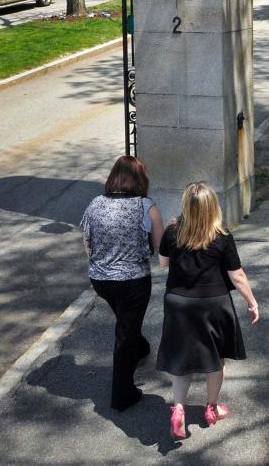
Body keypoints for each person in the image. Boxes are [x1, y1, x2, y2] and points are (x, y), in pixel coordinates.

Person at [157, 182, 259, 439]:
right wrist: (252, 302)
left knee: (182, 360)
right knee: (216, 359)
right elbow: (237, 275)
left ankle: (178, 408)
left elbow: (162, 263)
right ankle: (211, 408)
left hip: (178, 303)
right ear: (213, 207)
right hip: (212, 304)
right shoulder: (221, 237)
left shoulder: (172, 231)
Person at [80, 155, 165, 411]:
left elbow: (87, 243)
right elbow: (162, 248)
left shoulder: (94, 204)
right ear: (141, 179)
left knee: (127, 323)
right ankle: (122, 393)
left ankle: (141, 347)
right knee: (124, 334)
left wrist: (104, 263)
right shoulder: (146, 207)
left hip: (101, 279)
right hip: (134, 281)